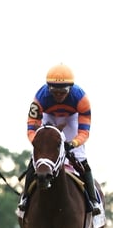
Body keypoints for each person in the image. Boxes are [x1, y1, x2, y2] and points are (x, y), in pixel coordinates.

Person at [19, 63, 101, 215]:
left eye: (62, 92)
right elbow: (31, 127)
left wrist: (73, 143)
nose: (58, 96)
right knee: (36, 157)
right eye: (54, 92)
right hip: (48, 116)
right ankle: (25, 198)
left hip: (72, 117)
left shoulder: (81, 99)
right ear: (48, 88)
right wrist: (39, 144)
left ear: (70, 89)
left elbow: (84, 132)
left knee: (80, 156)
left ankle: (93, 200)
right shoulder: (40, 98)